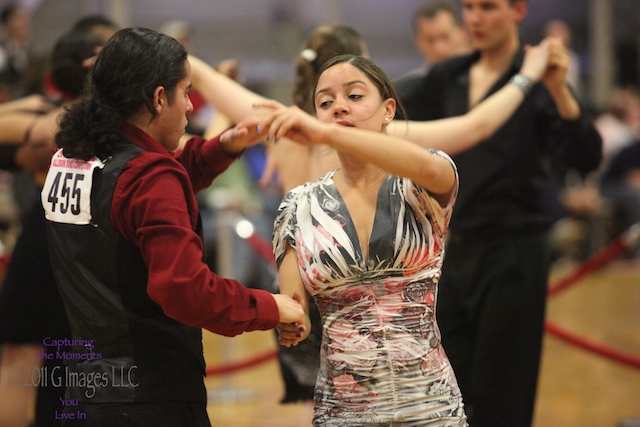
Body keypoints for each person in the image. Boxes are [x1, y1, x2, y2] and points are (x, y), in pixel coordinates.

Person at [266, 43, 550, 424]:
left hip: (430, 406)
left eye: (354, 96)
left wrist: (327, 134)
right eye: (325, 102)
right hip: (344, 411)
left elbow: (428, 165)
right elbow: (293, 311)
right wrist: (287, 321)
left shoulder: (422, 183)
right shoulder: (297, 206)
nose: (339, 107)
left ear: (388, 110)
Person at [41, 27, 304, 426]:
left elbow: (132, 199)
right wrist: (269, 306)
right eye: (185, 92)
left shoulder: (71, 158)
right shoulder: (147, 175)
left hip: (86, 391)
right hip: (150, 397)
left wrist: (226, 144)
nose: (189, 107)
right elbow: (185, 290)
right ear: (159, 98)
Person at [399, 1, 603, 425]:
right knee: (444, 388)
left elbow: (587, 156)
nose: (474, 18)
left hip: (516, 253)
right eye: (469, 7)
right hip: (455, 253)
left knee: (504, 395)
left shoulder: (539, 80)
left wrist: (561, 90)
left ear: (517, 10)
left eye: (488, 7)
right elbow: (388, 106)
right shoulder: (450, 74)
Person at [0, 28, 105, 427]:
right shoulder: (61, 119)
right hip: (55, 247)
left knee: (55, 362)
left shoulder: (50, 119)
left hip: (58, 246)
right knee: (28, 356)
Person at [394, 2, 470, 102]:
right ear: (418, 42)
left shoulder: (484, 78)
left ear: (462, 32)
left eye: (445, 37)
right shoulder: (406, 90)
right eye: (430, 40)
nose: (439, 49)